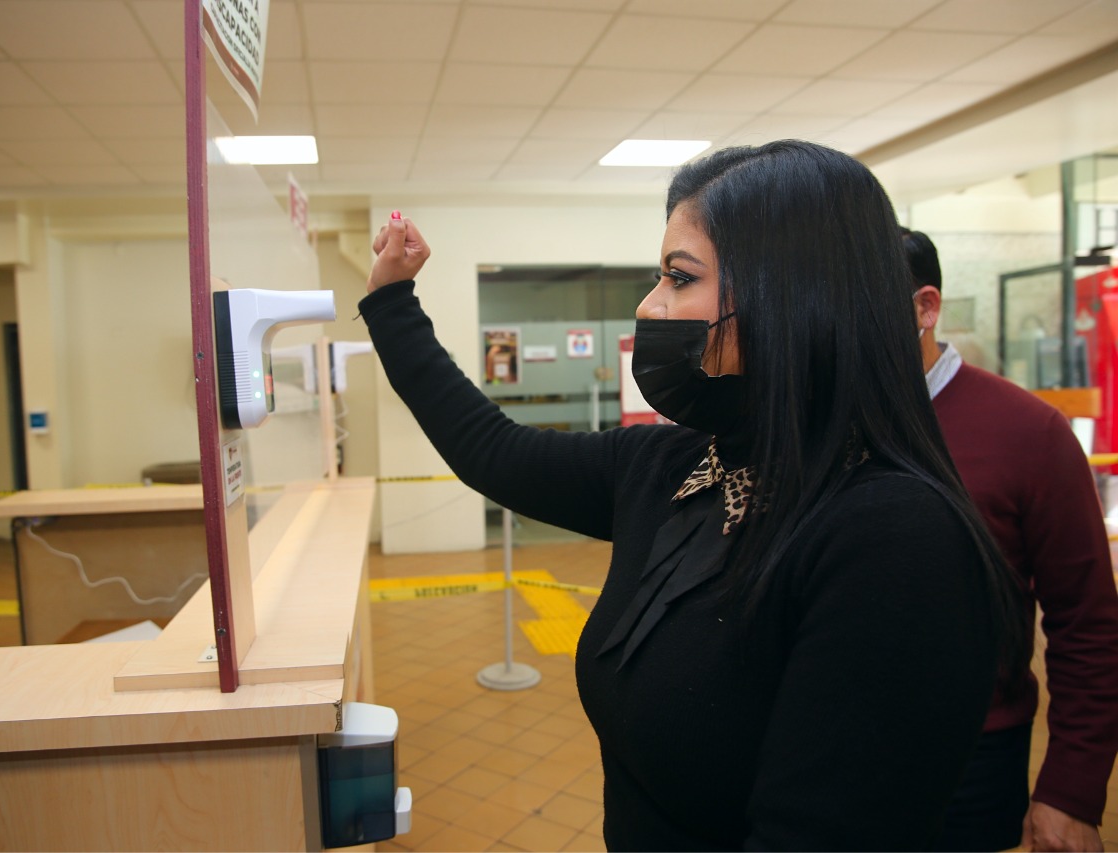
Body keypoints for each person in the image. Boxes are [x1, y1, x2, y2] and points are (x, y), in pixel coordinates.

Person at [361, 141, 1030, 850]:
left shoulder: (893, 541)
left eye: (680, 278)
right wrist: (391, 302)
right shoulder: (680, 465)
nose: (650, 304)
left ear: (792, 296)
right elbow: (496, 451)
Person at [905, 227, 1118, 852]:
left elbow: (1088, 621)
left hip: (974, 759)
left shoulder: (1029, 433)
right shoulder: (821, 426)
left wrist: (1071, 789)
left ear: (925, 308)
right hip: (830, 753)